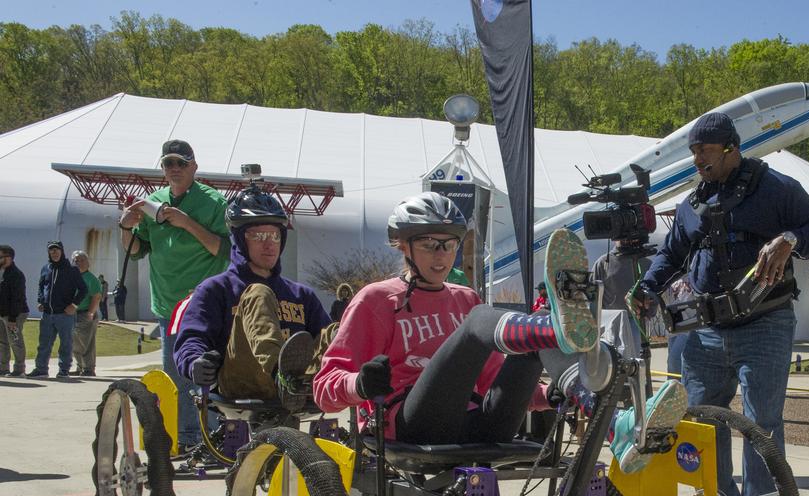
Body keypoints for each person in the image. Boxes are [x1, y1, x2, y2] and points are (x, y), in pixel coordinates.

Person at [313, 192, 686, 473]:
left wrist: (545, 396)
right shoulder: (377, 299)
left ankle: (615, 424)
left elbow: (493, 379)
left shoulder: (463, 296)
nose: (442, 255)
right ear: (403, 245)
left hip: (480, 424)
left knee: (524, 342)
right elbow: (324, 388)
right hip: (412, 427)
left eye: (449, 245)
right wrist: (359, 384)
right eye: (429, 245)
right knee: (480, 322)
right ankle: (551, 325)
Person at [635, 111, 809, 496]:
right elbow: (671, 255)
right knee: (704, 422)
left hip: (765, 323)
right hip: (705, 329)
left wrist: (789, 240)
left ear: (731, 149)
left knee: (762, 421)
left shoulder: (778, 189)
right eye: (693, 153)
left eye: (704, 151)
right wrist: (646, 287)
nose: (697, 160)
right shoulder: (693, 203)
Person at [173, 183, 333, 411]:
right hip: (240, 384)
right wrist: (194, 364)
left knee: (338, 330)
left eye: (275, 236)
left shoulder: (301, 295)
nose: (269, 244)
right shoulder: (216, 289)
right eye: (258, 236)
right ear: (239, 239)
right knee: (258, 292)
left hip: (298, 388)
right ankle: (281, 376)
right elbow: (191, 340)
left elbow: (326, 341)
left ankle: (301, 382)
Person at [119, 139, 230, 450]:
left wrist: (186, 223)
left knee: (207, 374)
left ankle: (214, 438)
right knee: (176, 376)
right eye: (169, 163)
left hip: (203, 308)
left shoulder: (213, 202)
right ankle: (188, 438)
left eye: (181, 163)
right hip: (167, 307)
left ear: (194, 166)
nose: (175, 169)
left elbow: (224, 250)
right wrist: (126, 227)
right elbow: (137, 251)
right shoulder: (153, 202)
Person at [30, 241, 86, 379]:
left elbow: (83, 289)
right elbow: (41, 286)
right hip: (48, 314)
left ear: (62, 251)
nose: (54, 253)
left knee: (66, 343)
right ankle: (41, 369)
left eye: (56, 250)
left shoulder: (71, 269)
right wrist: (40, 301)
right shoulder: (46, 268)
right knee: (44, 343)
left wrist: (74, 305)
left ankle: (64, 370)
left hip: (65, 315)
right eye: (51, 250)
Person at [70, 250, 102, 376]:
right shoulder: (72, 277)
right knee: (75, 343)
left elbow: (96, 297)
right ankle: (80, 366)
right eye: (76, 260)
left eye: (82, 260)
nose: (79, 263)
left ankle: (89, 368)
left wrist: (91, 312)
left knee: (87, 343)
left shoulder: (91, 279)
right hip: (72, 314)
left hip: (85, 314)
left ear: (88, 263)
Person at [0, 245, 28, 376]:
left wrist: (12, 319)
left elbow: (17, 298)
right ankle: (3, 368)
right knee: (2, 342)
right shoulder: (1, 272)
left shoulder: (16, 274)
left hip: (15, 314)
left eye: (1, 257)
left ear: (9, 258)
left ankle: (19, 369)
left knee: (15, 341)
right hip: (2, 313)